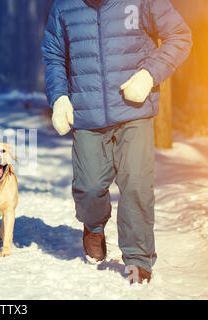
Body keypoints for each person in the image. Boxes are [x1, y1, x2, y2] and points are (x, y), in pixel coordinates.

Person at [42, 0, 192, 284]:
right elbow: (53, 54)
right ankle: (93, 227)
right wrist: (59, 97)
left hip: (134, 110)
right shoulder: (64, 7)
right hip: (86, 114)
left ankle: (138, 259)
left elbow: (179, 36)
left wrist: (149, 74)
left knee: (136, 184)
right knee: (88, 187)